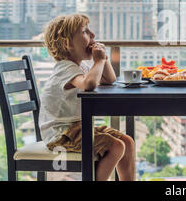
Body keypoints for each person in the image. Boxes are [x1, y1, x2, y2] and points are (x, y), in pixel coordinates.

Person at [39, 13, 135, 181]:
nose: (93, 35)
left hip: (78, 128)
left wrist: (103, 59)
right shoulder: (65, 69)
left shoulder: (79, 66)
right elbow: (89, 84)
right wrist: (97, 62)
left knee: (127, 142)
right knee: (116, 146)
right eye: (84, 32)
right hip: (61, 134)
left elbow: (109, 80)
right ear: (67, 43)